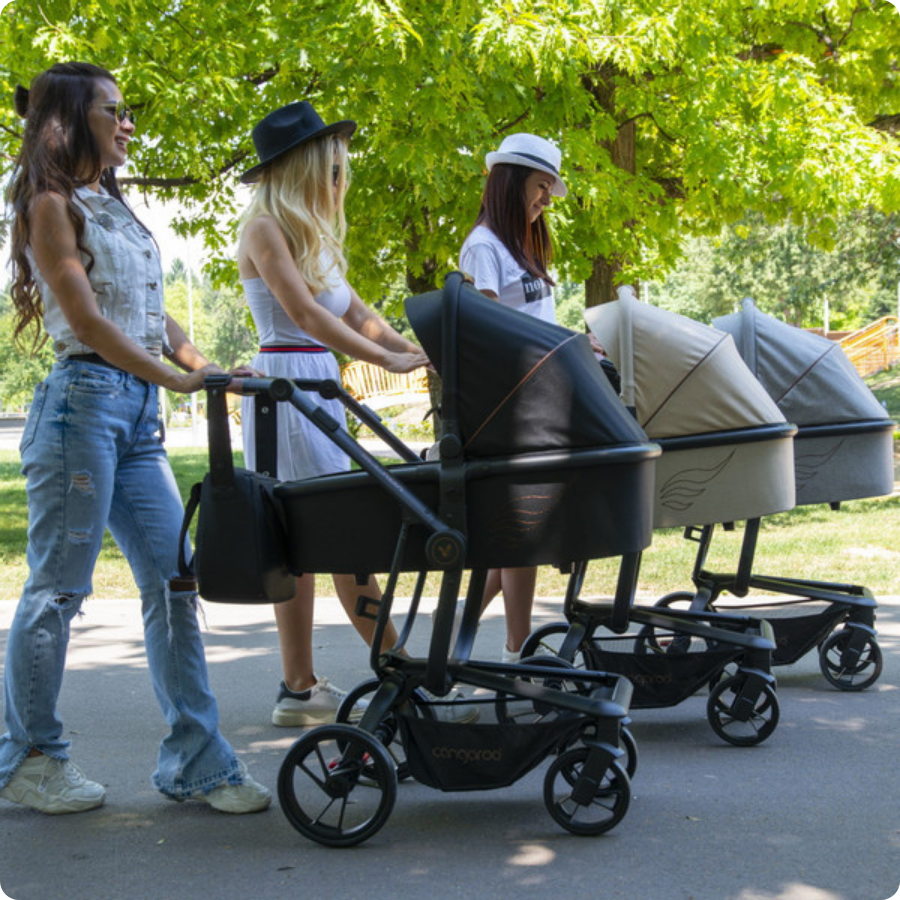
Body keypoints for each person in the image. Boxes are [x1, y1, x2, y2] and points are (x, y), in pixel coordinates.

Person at [0, 62, 270, 816]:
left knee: (174, 579)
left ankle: (196, 761)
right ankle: (29, 757)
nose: (127, 124)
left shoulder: (113, 207)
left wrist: (205, 370)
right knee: (59, 586)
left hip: (135, 417)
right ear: (70, 119)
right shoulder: (49, 205)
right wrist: (172, 378)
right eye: (113, 112)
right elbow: (87, 321)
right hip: (79, 407)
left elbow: (151, 312)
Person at [237, 101, 471, 728]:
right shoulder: (265, 227)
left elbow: (359, 315)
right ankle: (400, 675)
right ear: (302, 166)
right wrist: (381, 361)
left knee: (313, 539)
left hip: (316, 382)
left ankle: (301, 686)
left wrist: (421, 351)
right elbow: (309, 317)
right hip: (286, 384)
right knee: (327, 537)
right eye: (332, 164)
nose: (342, 175)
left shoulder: (315, 234)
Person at [459, 132, 576, 663]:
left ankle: (456, 637)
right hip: (509, 402)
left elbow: (534, 323)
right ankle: (516, 650)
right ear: (510, 183)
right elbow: (487, 331)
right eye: (540, 187)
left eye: (548, 189)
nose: (545, 200)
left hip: (537, 398)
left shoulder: (520, 248)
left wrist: (575, 343)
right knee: (521, 532)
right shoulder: (484, 247)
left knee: (516, 535)